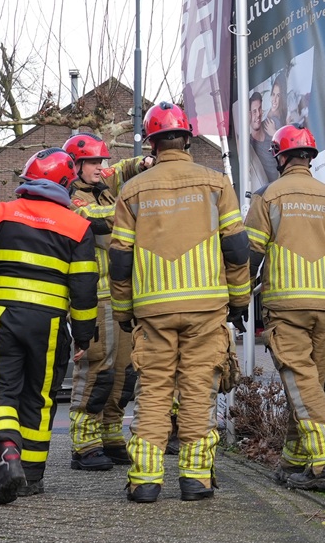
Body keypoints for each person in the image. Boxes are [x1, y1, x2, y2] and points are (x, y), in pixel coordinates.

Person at [107, 103, 251, 502]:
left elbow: (119, 260)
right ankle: (195, 478)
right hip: (207, 308)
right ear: (187, 138)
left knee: (153, 391)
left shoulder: (132, 190)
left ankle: (145, 481)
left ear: (152, 143)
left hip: (152, 311)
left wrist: (123, 312)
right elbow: (237, 248)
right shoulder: (217, 183)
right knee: (198, 390)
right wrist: (238, 300)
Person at [0, 150, 98, 505]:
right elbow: (84, 288)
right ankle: (30, 477)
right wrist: (84, 335)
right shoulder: (78, 226)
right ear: (66, 183)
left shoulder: (2, 213)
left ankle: (7, 454)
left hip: (4, 318)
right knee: (39, 399)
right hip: (48, 327)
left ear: (28, 180)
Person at [245, 125, 325, 490]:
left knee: (302, 383)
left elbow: (250, 255)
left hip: (287, 307)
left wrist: (237, 298)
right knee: (309, 384)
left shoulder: (269, 197)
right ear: (311, 157)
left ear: (280, 157)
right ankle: (295, 459)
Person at [63, 131, 152, 471]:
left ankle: (111, 434)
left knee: (124, 372)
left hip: (120, 296)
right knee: (96, 370)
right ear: (76, 166)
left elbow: (122, 169)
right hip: (96, 299)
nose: (102, 168)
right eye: (94, 162)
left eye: (102, 161)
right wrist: (133, 207)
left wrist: (143, 164)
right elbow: (97, 223)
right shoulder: (72, 199)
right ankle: (84, 443)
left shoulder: (102, 184)